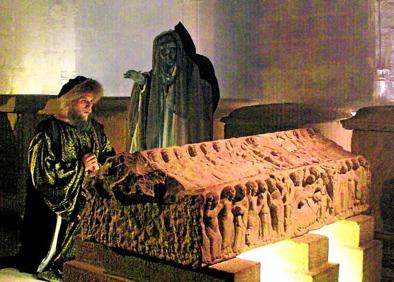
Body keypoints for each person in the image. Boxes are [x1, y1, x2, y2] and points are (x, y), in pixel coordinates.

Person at [19, 76, 115, 281]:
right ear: (69, 100)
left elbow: (109, 157)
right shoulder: (47, 131)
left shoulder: (95, 130)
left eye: (92, 102)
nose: (89, 108)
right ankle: (53, 264)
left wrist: (99, 165)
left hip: (88, 196)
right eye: (84, 102)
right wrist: (79, 167)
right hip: (56, 202)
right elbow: (42, 174)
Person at [124, 22, 220, 152]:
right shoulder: (156, 75)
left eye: (172, 51)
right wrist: (143, 82)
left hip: (182, 130)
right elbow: (150, 89)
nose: (168, 56)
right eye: (164, 52)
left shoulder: (191, 72)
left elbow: (204, 97)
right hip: (161, 131)